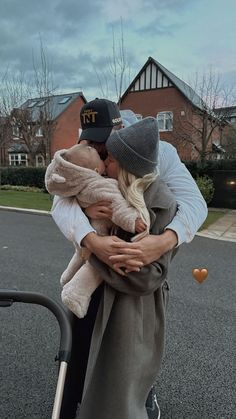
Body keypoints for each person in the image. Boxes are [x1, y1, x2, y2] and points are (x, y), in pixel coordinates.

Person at [51, 99, 207, 419]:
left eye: (102, 143)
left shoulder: (160, 155)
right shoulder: (88, 150)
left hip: (137, 267)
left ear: (120, 129)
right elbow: (60, 201)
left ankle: (142, 393)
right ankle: (76, 398)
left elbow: (193, 203)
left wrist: (162, 242)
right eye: (89, 140)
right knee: (85, 343)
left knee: (131, 349)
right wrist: (93, 239)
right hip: (98, 261)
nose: (96, 151)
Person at [45, 143, 147, 318]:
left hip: (87, 236)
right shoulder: (101, 183)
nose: (105, 161)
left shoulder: (78, 176)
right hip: (100, 234)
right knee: (93, 268)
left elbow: (66, 191)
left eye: (108, 157)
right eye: (103, 158)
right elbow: (117, 205)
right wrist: (132, 220)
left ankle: (67, 277)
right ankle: (75, 293)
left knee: (80, 256)